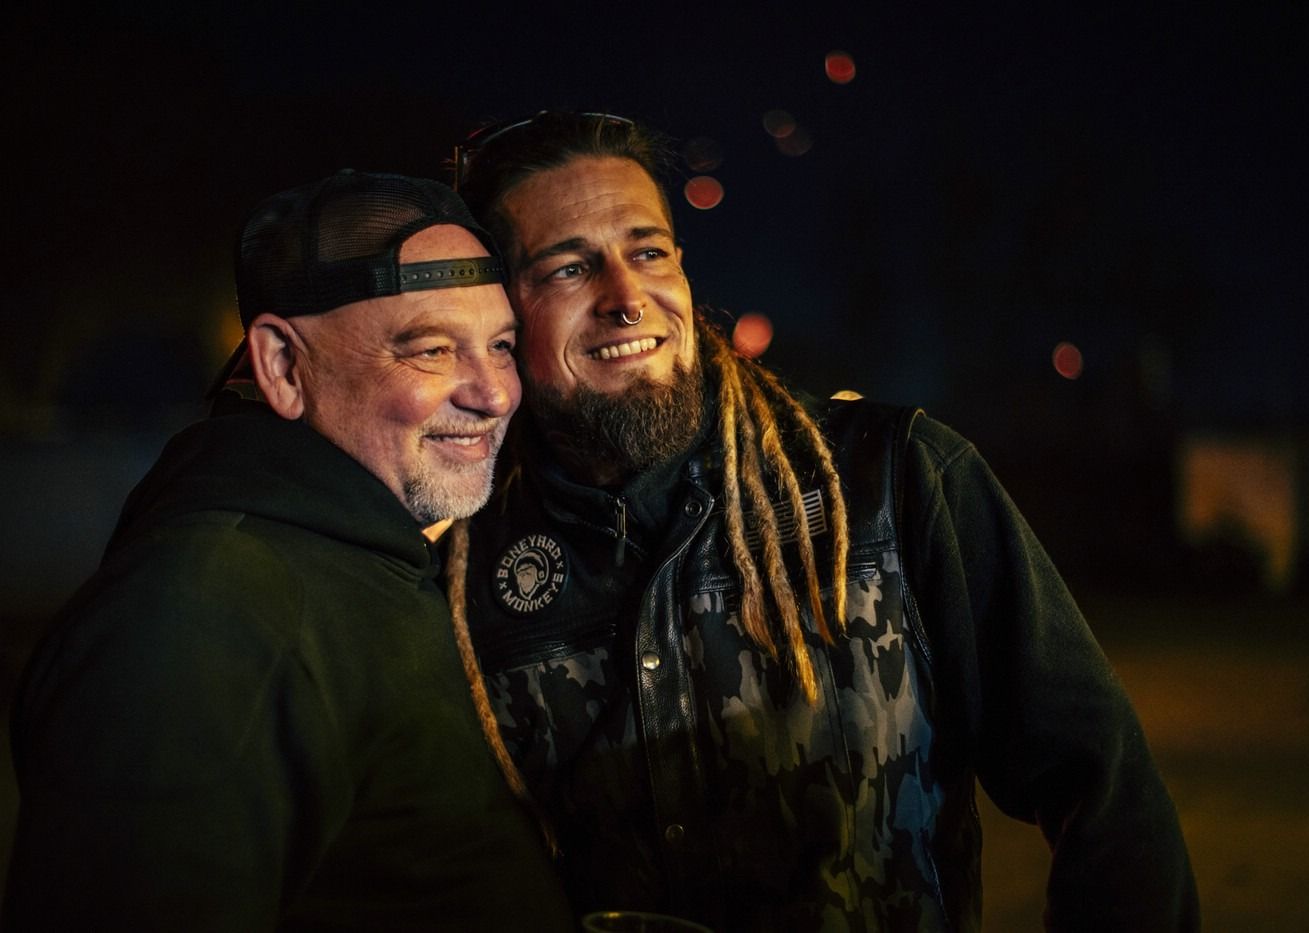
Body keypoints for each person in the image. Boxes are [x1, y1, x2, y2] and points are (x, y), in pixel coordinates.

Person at [449, 113, 1200, 932]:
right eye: (569, 268)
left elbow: (1107, 794)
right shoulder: (462, 566)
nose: (627, 299)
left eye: (649, 252)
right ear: (498, 313)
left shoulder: (893, 481)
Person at [3, 170, 572, 931]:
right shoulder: (198, 621)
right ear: (280, 365)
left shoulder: (364, 556)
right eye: (432, 349)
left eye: (500, 346)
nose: (494, 393)